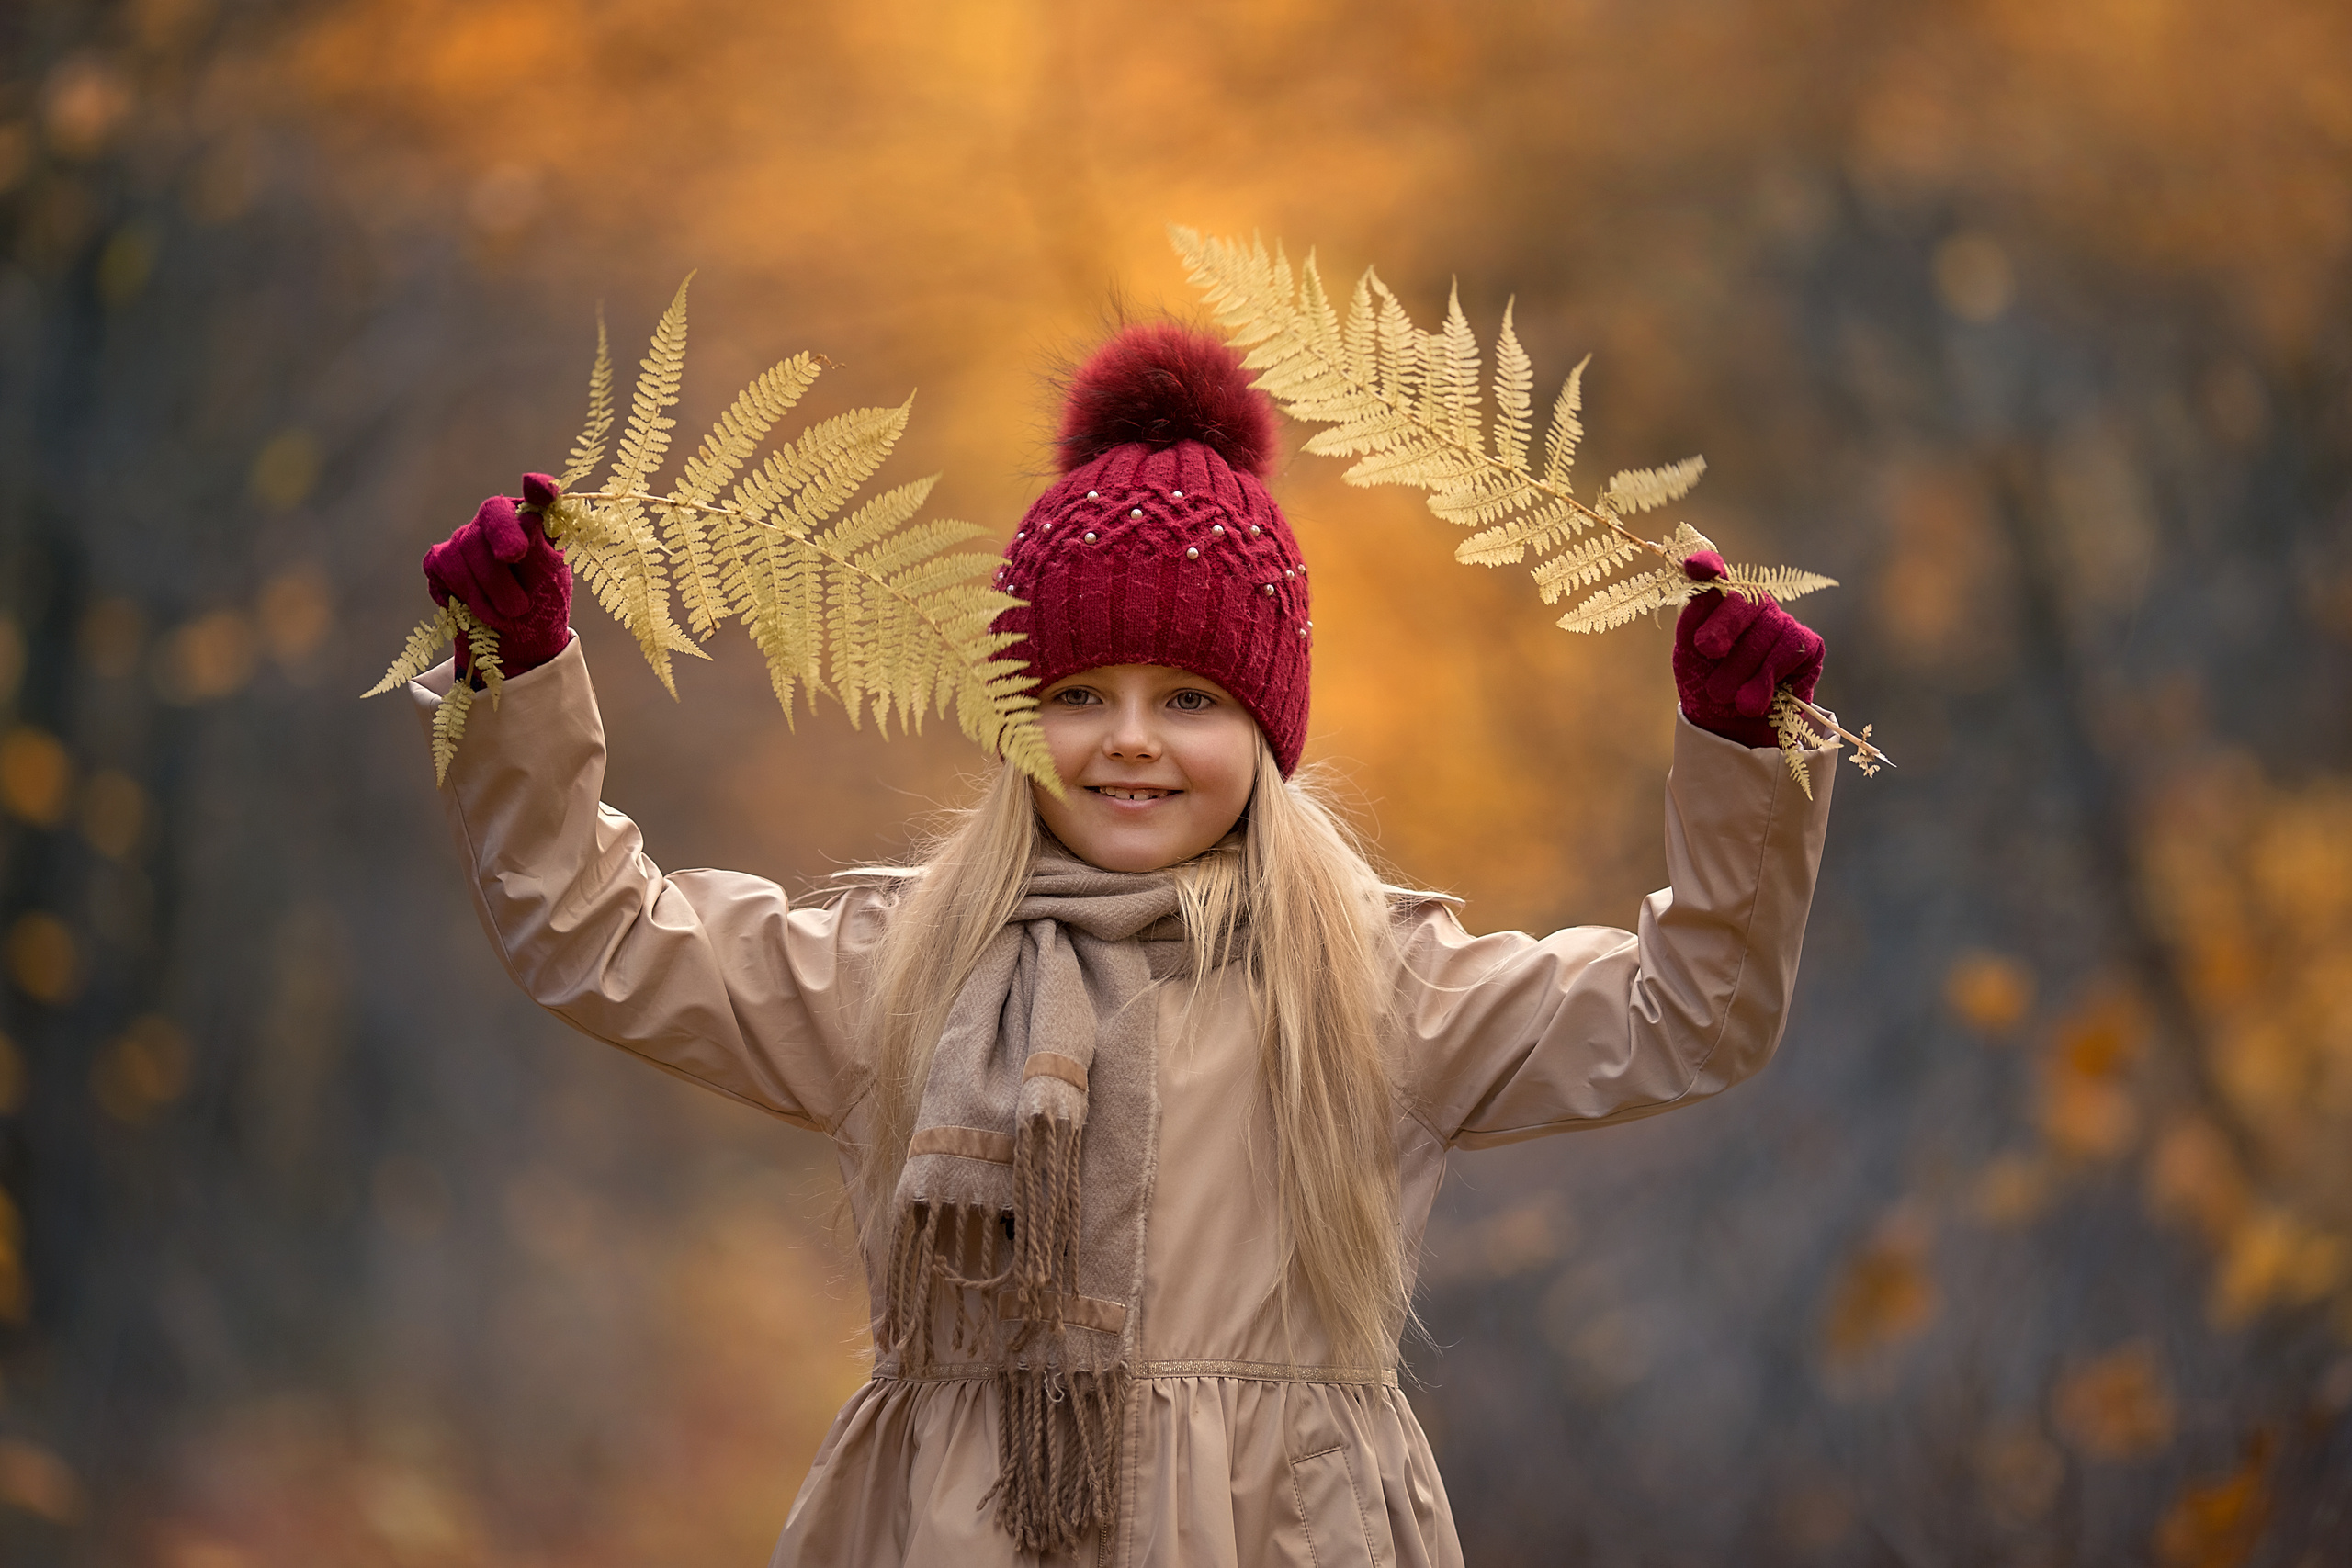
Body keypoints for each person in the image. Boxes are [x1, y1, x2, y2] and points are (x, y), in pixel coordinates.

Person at [406, 322, 1833, 1567]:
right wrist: (519, 671)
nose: (1133, 740)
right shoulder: (899, 968)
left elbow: (1689, 1010)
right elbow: (593, 929)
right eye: (1079, 691)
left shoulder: (1373, 987)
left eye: (1193, 701)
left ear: (1268, 736)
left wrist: (1738, 756)